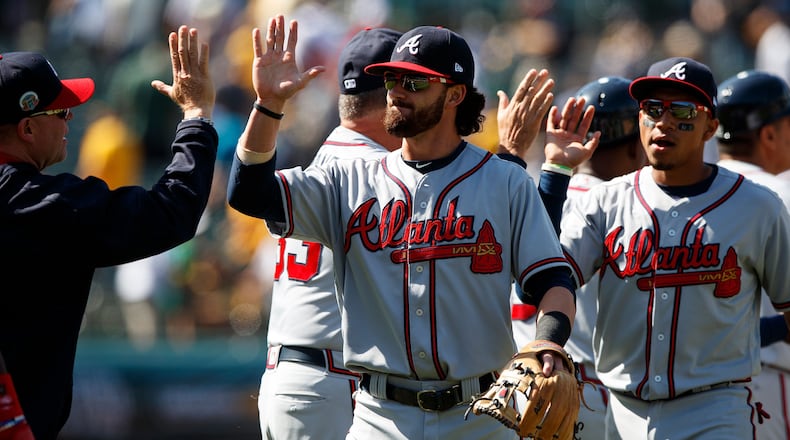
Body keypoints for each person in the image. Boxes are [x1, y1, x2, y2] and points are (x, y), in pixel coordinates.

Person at [227, 15, 577, 439]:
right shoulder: (349, 179)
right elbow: (248, 192)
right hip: (380, 416)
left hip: (480, 415)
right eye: (393, 79)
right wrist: (268, 106)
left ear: (455, 94)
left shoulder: (504, 181)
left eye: (415, 83)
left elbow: (551, 277)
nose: (396, 92)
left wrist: (550, 341)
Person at [538, 57, 790, 439]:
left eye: (683, 110)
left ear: (711, 127)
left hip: (716, 411)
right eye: (652, 109)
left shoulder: (757, 206)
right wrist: (555, 173)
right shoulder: (605, 202)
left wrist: (746, 338)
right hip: (622, 413)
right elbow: (542, 278)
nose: (665, 122)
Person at [0, 26, 217, 440]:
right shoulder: (34, 204)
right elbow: (172, 210)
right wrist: (196, 117)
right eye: (60, 112)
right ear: (27, 129)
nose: (71, 119)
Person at [257, 26, 403, 440]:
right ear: (393, 96)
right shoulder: (375, 172)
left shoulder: (327, 158)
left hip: (295, 376)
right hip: (329, 380)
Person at [512, 75, 645, 439]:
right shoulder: (628, 206)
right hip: (588, 389)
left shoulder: (531, 192)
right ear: (637, 146)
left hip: (516, 382)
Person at [715, 69, 790, 439]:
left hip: (697, 390)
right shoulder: (780, 193)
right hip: (773, 381)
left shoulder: (693, 193)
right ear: (769, 132)